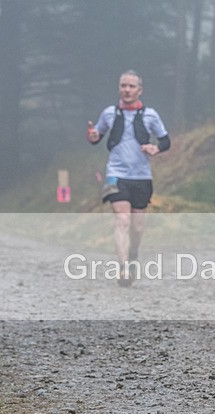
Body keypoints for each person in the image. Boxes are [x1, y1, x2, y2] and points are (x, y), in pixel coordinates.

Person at [87, 70, 170, 286]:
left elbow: (166, 141)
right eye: (123, 85)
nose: (127, 89)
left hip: (142, 177)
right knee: (122, 220)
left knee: (137, 227)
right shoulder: (109, 114)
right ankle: (123, 268)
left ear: (139, 90)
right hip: (116, 175)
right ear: (119, 88)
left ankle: (133, 254)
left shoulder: (150, 115)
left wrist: (156, 148)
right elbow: (96, 135)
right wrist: (93, 136)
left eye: (131, 86)